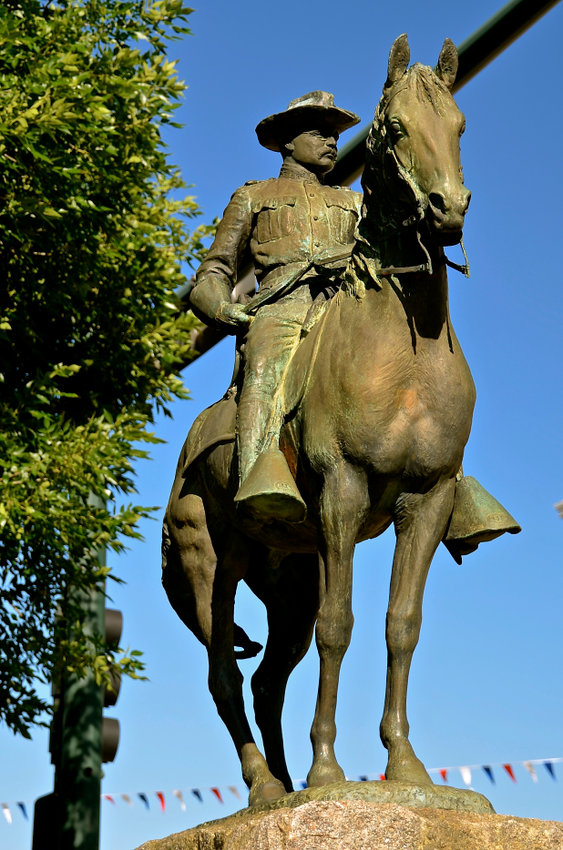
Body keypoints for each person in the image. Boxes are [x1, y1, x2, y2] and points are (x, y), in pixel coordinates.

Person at [190, 91, 362, 522]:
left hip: (343, 306)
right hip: (282, 308)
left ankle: (447, 484)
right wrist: (222, 309)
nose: (330, 140)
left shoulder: (355, 202)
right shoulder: (254, 196)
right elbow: (214, 271)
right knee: (264, 369)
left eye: (335, 134)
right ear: (287, 142)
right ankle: (256, 477)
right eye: (317, 132)